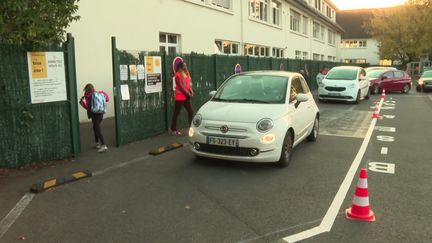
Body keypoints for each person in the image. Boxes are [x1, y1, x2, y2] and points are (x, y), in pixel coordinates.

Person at [80, 83, 110, 152]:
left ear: (86, 90)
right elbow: (107, 99)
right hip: (101, 113)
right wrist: (103, 92)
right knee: (95, 127)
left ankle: (103, 145)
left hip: (94, 114)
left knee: (97, 129)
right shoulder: (99, 93)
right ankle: (97, 143)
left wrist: (82, 103)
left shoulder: (88, 96)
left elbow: (88, 107)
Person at [171, 61, 194, 135]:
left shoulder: (187, 73)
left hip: (186, 96)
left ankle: (191, 128)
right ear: (180, 66)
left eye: (186, 65)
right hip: (180, 97)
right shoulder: (177, 75)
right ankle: (173, 129)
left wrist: (191, 91)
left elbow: (188, 85)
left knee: (191, 111)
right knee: (177, 113)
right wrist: (188, 94)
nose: (186, 66)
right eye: (184, 65)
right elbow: (181, 87)